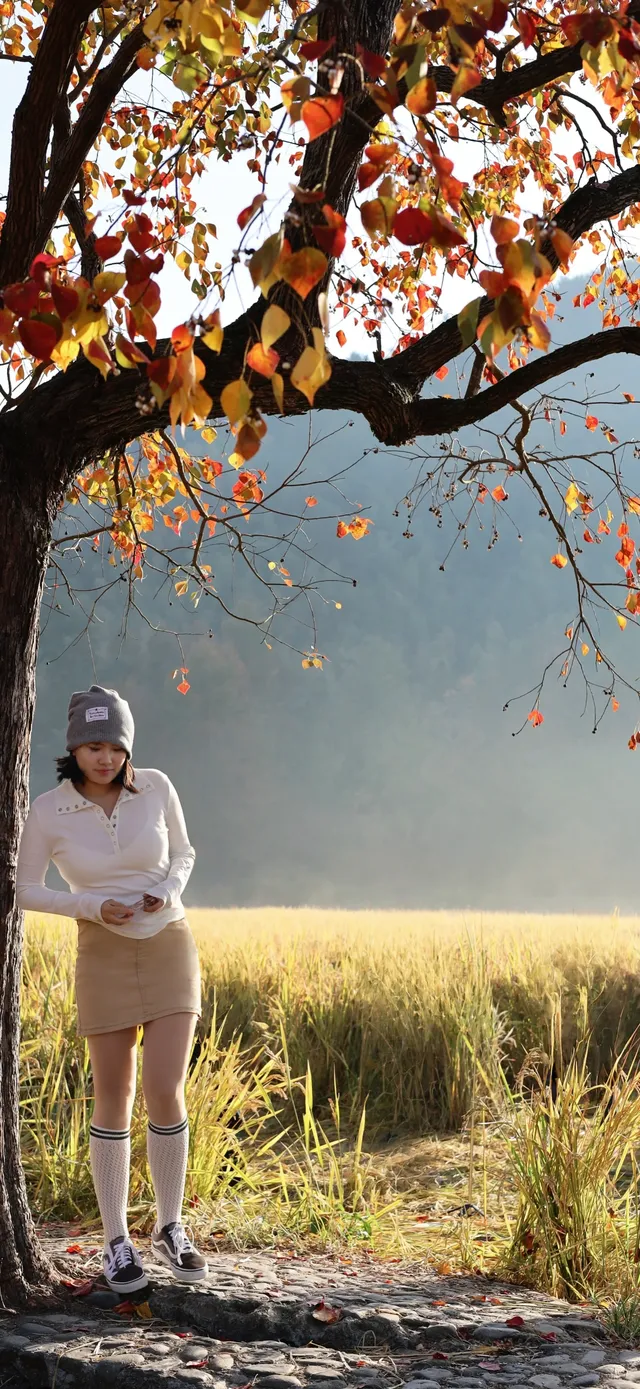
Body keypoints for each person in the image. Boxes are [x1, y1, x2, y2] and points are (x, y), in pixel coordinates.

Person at [16, 684, 208, 1294]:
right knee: (114, 1094)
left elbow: (184, 854)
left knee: (165, 1088)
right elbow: (25, 889)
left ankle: (172, 1226)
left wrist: (168, 892)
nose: (106, 758)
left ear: (128, 748)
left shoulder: (156, 786)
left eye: (116, 747)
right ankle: (116, 1241)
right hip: (100, 950)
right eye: (94, 747)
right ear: (74, 749)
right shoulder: (49, 810)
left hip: (168, 941)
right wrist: (92, 905)